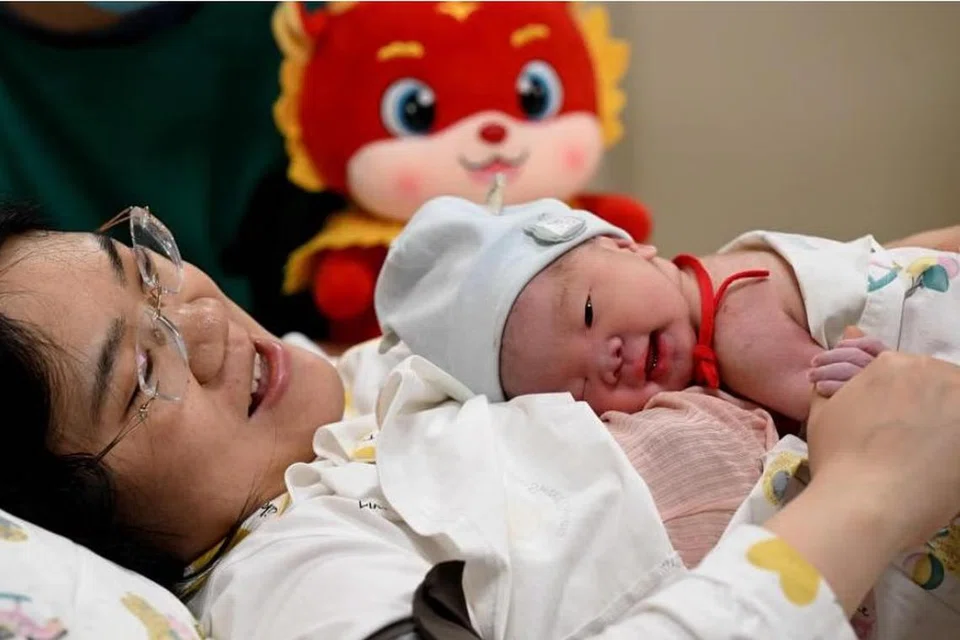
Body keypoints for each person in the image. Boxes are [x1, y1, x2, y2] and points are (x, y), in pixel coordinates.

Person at [3, 203, 960, 639]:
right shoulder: (297, 577)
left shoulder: (358, 379)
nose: (205, 321)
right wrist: (867, 498)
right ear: (88, 524)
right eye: (141, 373)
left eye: (149, 268)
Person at [375, 196, 960, 424]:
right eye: (579, 388)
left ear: (626, 245)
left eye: (587, 314)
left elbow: (865, 420)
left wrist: (858, 386)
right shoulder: (716, 270)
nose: (606, 359)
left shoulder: (736, 326)